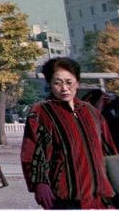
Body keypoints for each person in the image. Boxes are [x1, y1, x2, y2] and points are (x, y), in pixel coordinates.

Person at [21, 56, 116, 209]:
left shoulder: (91, 112)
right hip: (65, 195)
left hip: (100, 196)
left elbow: (108, 151)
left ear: (77, 82)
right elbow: (33, 152)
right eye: (57, 83)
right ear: (49, 84)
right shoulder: (41, 112)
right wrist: (40, 183)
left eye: (69, 82)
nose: (64, 88)